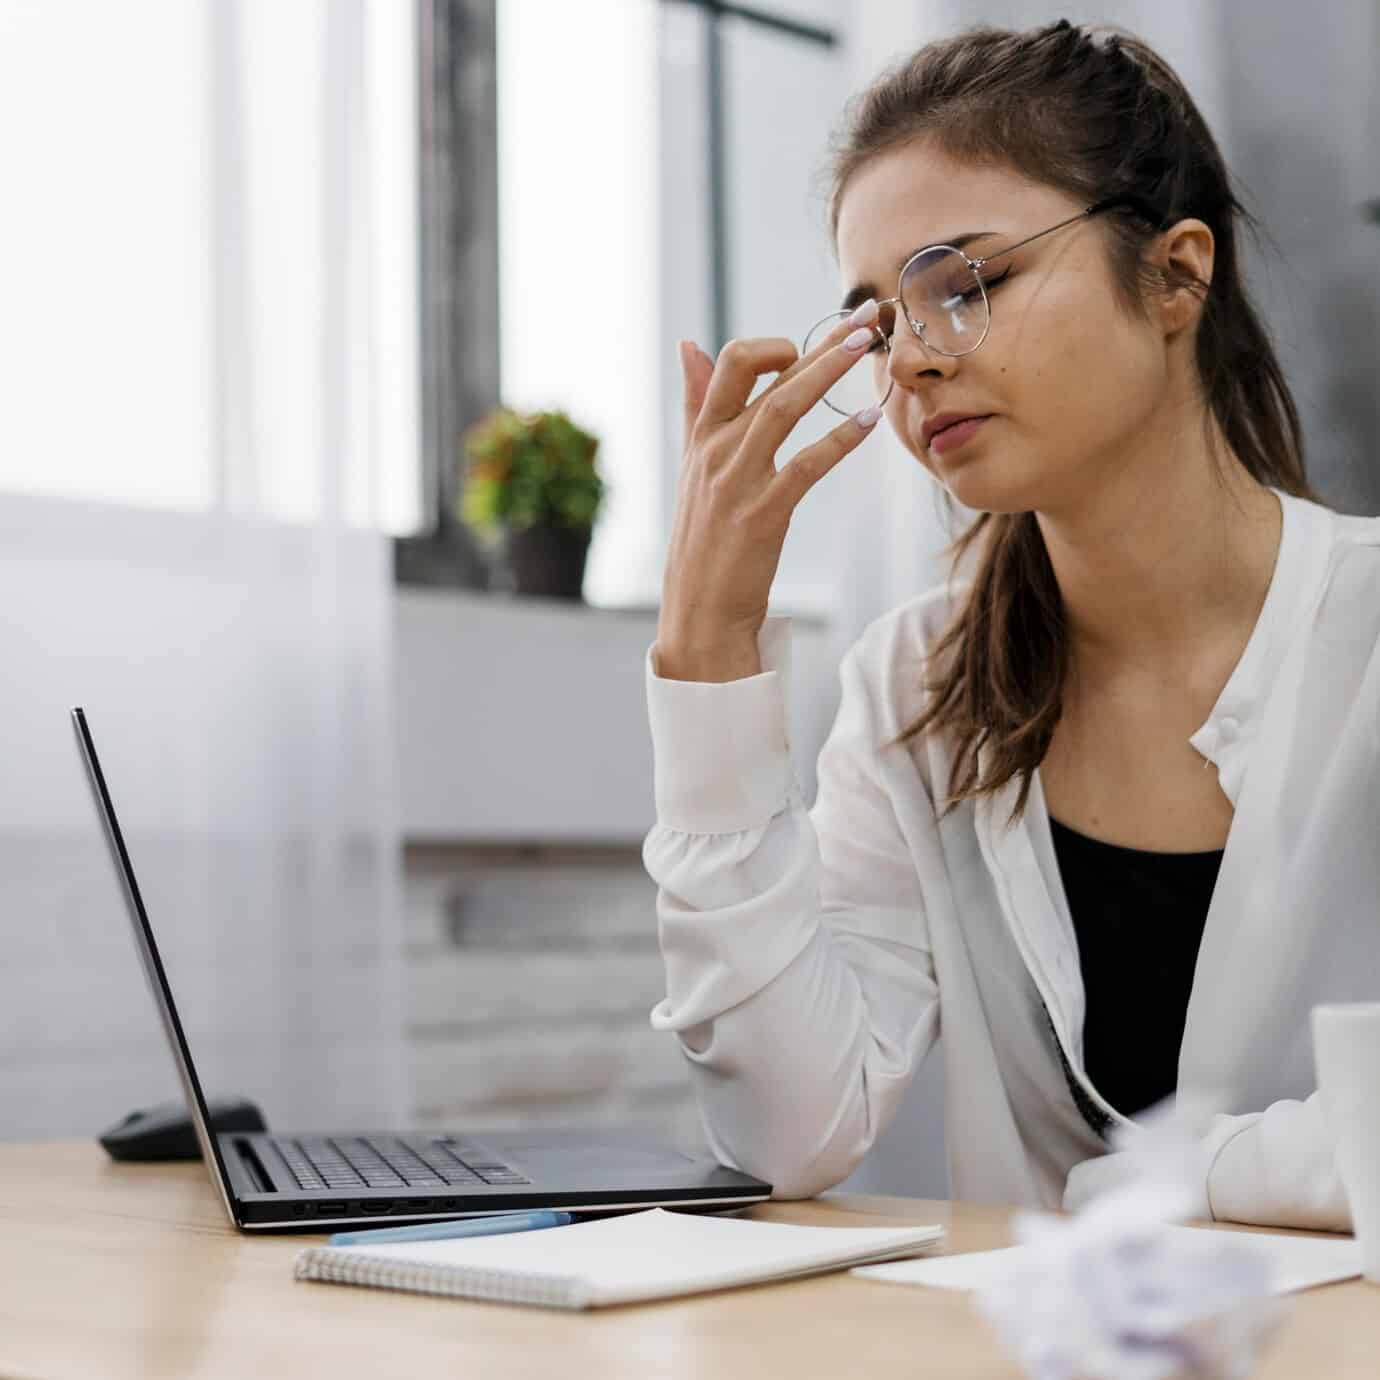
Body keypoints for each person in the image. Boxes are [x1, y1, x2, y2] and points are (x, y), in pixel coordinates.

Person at [641, 17, 1380, 1229]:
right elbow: (787, 1136)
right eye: (882, 321)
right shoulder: (912, 687)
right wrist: (708, 654)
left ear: (1179, 273)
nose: (915, 362)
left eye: (966, 284)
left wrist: (1167, 1180)